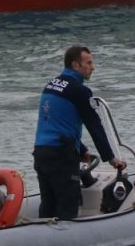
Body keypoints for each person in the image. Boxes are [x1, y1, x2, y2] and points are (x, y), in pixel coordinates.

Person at [32, 45, 127, 221]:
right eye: (89, 63)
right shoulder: (79, 91)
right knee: (68, 207)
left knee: (48, 206)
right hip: (61, 156)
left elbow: (56, 123)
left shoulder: (51, 85)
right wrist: (111, 158)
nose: (93, 67)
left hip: (41, 153)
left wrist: (82, 150)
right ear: (76, 65)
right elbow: (94, 125)